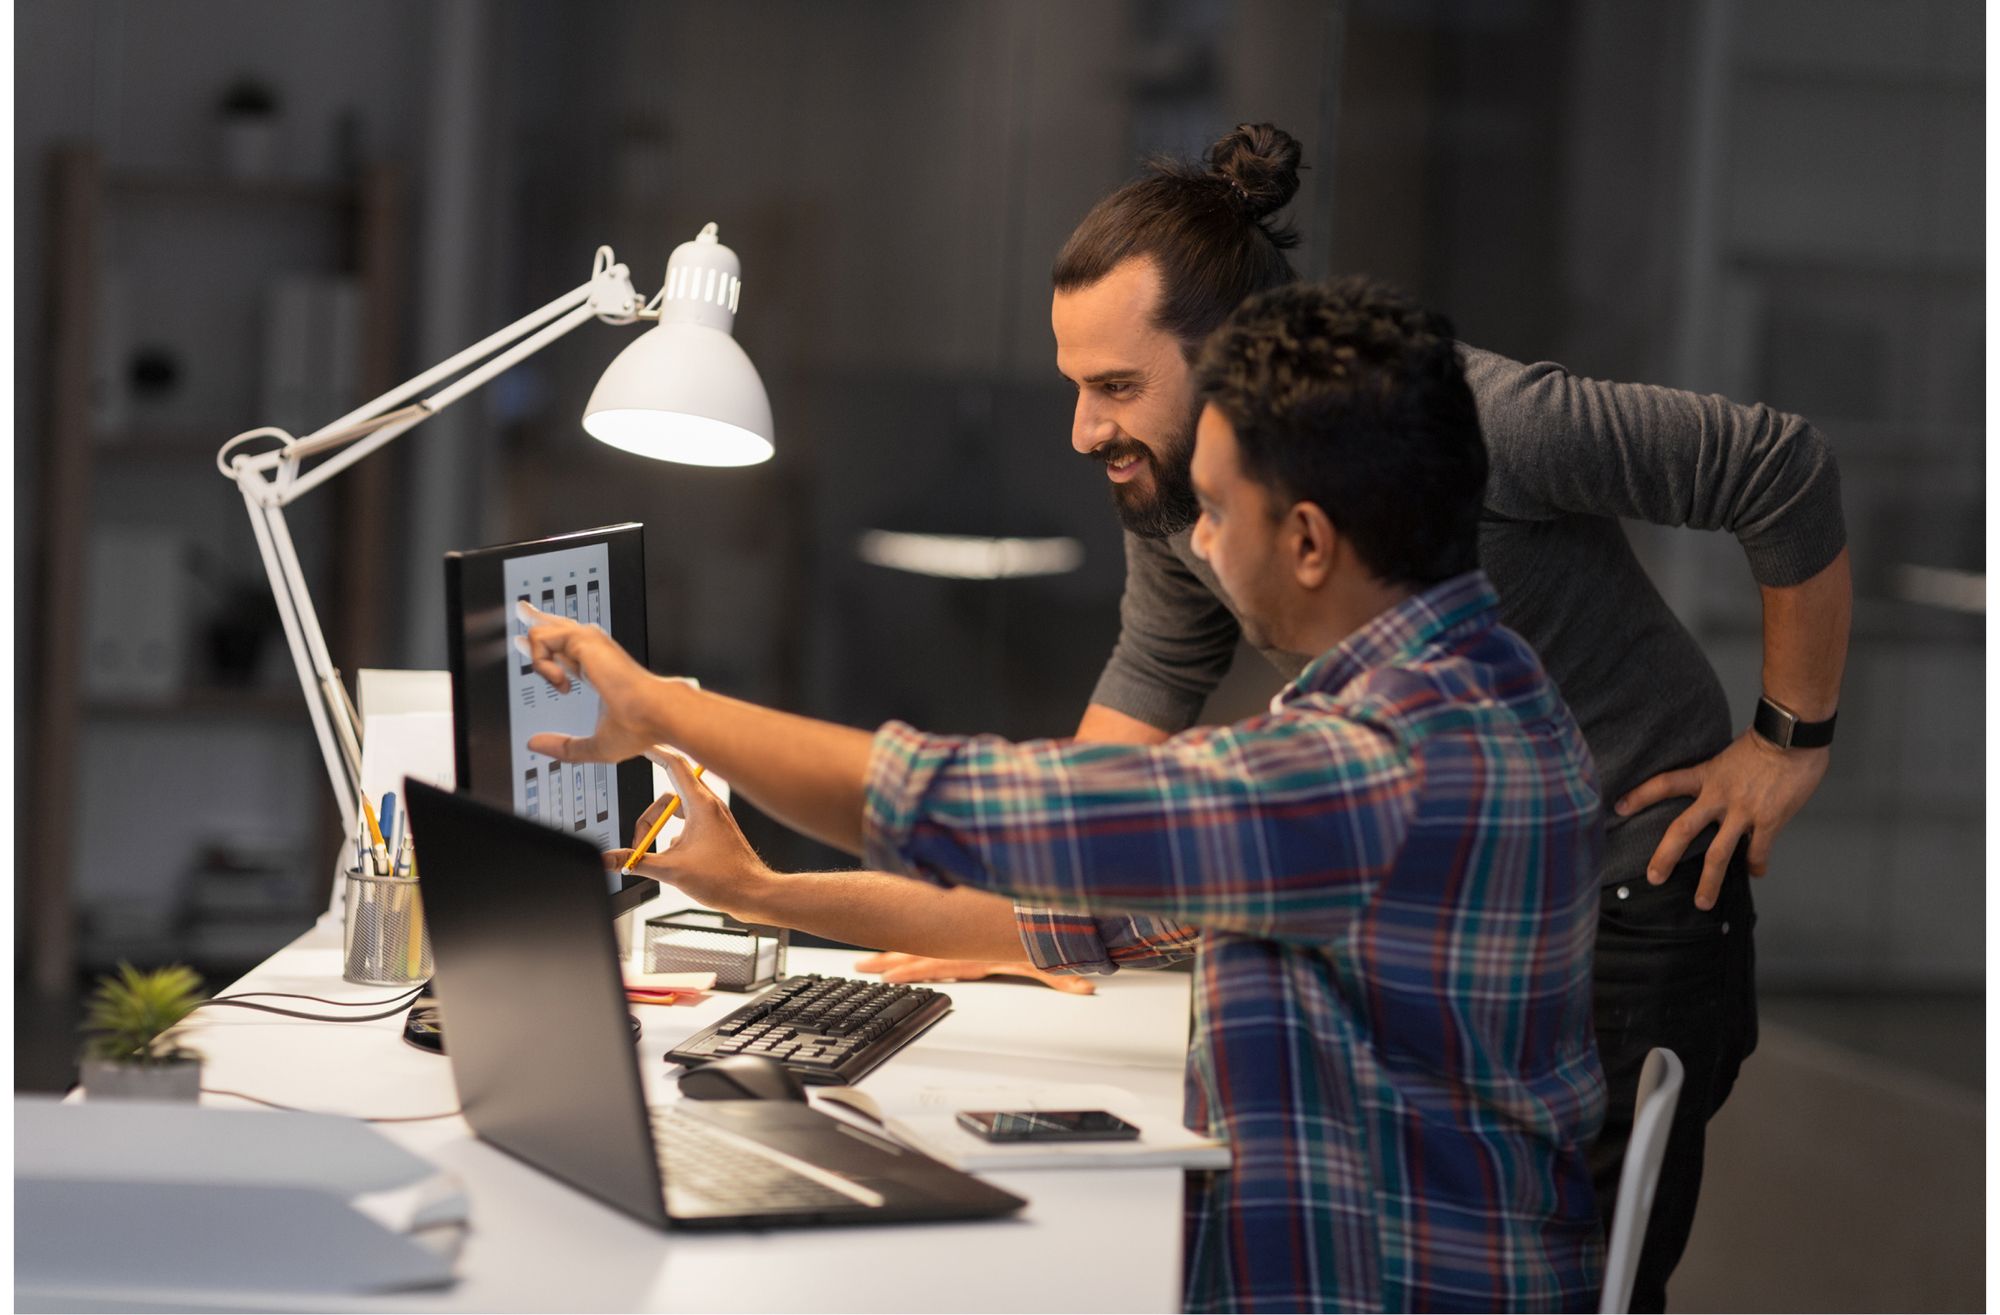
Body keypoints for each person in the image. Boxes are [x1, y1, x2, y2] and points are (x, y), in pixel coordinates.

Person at [852, 123, 1851, 1310]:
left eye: (1114, 386)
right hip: (1437, 910)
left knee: (1563, 1280)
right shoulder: (1180, 488)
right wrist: (1044, 887)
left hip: (1631, 887)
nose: (1085, 429)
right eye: (1074, 387)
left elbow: (1773, 467)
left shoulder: (1477, 424)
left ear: (1224, 356)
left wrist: (1786, 740)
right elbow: (1148, 675)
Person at [523, 278, 1609, 1312]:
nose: (1198, 542)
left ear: (1310, 541)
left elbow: (970, 806)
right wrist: (757, 891)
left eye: (1220, 512)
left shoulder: (1377, 767)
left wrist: (659, 708)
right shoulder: (1482, 686)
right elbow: (1058, 910)